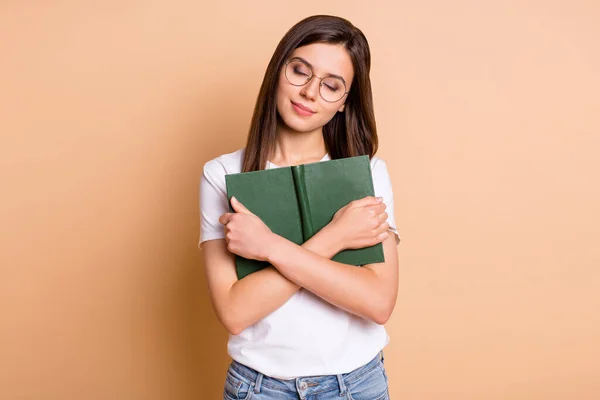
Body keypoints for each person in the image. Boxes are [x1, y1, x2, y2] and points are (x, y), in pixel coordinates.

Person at [199, 14, 400, 400]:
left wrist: (269, 247)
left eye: (331, 86)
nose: (310, 92)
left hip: (357, 386)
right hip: (258, 388)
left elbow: (377, 303)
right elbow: (236, 312)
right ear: (278, 71)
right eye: (299, 71)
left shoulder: (369, 174)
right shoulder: (221, 174)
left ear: (345, 102)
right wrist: (336, 236)